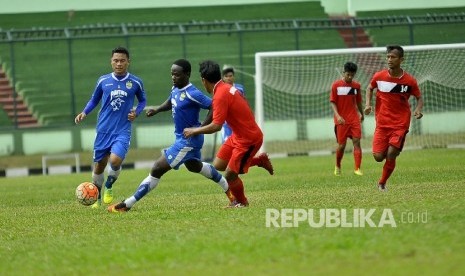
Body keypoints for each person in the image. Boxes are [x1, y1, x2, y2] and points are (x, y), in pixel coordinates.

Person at [108, 59, 231, 212]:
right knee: (195, 166)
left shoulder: (192, 93)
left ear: (187, 74)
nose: (173, 77)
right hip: (184, 138)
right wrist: (157, 109)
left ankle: (127, 205)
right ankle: (229, 190)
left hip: (188, 141)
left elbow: (213, 105)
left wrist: (202, 127)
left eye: (177, 75)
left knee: (157, 168)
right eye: (172, 74)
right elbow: (171, 101)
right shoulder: (176, 88)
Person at [183, 60, 274, 208]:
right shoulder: (226, 88)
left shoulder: (220, 95)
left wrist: (195, 130)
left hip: (248, 139)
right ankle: (259, 161)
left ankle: (242, 203)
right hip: (238, 135)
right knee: (219, 164)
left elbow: (217, 126)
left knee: (230, 175)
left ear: (204, 80)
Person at [75, 46, 147, 208]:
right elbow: (94, 100)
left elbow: (142, 101)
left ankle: (108, 186)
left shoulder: (135, 82)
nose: (119, 63)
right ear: (111, 62)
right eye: (116, 60)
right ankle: (97, 194)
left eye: (122, 60)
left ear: (128, 62)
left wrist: (137, 112)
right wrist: (84, 112)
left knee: (115, 160)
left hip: (122, 129)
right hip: (103, 129)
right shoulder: (103, 80)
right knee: (99, 164)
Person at [364, 45, 424, 191]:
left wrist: (418, 109)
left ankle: (382, 183)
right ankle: (391, 156)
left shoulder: (409, 80)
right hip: (382, 123)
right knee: (378, 157)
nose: (389, 60)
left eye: (393, 57)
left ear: (401, 59)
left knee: (391, 153)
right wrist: (368, 104)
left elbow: (419, 97)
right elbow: (369, 88)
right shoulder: (379, 76)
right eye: (388, 57)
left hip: (400, 123)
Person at [330, 61, 364, 177]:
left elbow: (358, 101)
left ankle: (357, 168)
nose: (350, 77)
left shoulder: (356, 86)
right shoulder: (336, 85)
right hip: (341, 120)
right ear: (343, 73)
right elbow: (332, 102)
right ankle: (338, 166)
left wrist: (361, 113)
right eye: (348, 74)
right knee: (342, 145)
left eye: (352, 75)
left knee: (357, 142)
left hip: (354, 119)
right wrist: (338, 116)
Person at [221, 67, 245, 143]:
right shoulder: (220, 90)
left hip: (239, 123)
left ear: (233, 76)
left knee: (240, 145)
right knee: (227, 145)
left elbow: (243, 103)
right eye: (226, 76)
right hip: (226, 124)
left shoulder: (240, 88)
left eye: (230, 76)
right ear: (223, 78)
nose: (229, 78)